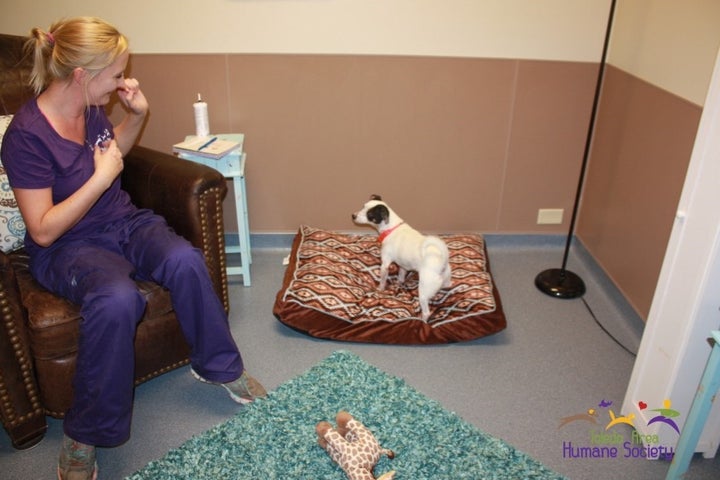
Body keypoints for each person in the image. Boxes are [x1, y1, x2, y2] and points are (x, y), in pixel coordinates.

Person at [0, 17, 267, 480]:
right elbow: (42, 230)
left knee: (184, 260)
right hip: (68, 245)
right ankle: (85, 432)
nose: (123, 81)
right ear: (81, 75)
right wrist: (100, 179)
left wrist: (137, 115)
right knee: (117, 299)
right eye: (116, 73)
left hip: (121, 220)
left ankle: (217, 366)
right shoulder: (25, 136)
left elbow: (111, 152)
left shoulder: (89, 106)